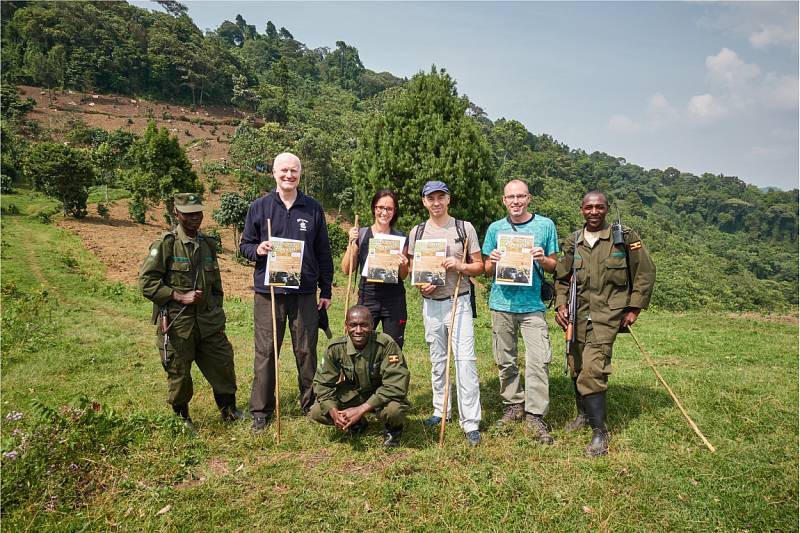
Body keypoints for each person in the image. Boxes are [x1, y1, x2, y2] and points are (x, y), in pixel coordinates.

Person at [554, 191, 656, 456]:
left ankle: (600, 432)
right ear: (581, 210)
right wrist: (561, 305)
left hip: (606, 316)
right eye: (589, 207)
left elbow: (644, 272)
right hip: (576, 315)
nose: (594, 212)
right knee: (575, 365)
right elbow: (562, 278)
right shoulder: (573, 241)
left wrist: (634, 308)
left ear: (607, 209)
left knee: (593, 369)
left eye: (600, 207)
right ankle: (583, 416)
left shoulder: (624, 238)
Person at [239, 152, 334, 432]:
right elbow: (244, 245)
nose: (288, 175)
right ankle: (261, 411)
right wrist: (258, 249)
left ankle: (310, 404)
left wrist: (325, 289)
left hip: (304, 293)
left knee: (306, 350)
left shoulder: (313, 208)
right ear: (274, 173)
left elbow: (323, 253)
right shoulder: (259, 207)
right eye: (283, 171)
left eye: (294, 171)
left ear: (300, 175)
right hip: (268, 293)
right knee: (266, 352)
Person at [139, 193, 241, 430]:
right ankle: (182, 419)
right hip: (179, 324)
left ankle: (229, 411)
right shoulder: (166, 244)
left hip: (209, 323)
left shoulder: (207, 245)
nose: (195, 218)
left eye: (198, 213)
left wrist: (216, 310)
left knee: (223, 365)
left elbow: (216, 286)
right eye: (189, 214)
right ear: (177, 214)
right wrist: (178, 296)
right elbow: (147, 283)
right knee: (179, 375)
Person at [408, 180, 484, 446]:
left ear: (448, 200)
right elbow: (412, 268)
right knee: (438, 359)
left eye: (441, 197)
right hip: (431, 304)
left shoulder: (464, 228)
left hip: (458, 301)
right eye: (431, 198)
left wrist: (459, 265)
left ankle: (471, 422)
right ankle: (441, 411)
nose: (436, 202)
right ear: (424, 202)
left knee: (464, 360)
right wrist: (421, 285)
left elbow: (480, 266)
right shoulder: (417, 232)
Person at [482, 179, 559, 444]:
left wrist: (542, 259)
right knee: (505, 359)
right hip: (501, 303)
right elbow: (485, 268)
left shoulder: (546, 225)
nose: (515, 201)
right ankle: (513, 404)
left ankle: (535, 413)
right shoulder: (495, 229)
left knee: (539, 360)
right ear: (504, 200)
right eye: (510, 197)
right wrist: (491, 262)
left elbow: (554, 265)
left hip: (533, 306)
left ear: (529, 198)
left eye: (520, 196)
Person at [309, 305, 411, 447]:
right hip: (355, 395)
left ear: (372, 325)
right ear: (346, 326)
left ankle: (393, 429)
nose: (358, 330)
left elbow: (396, 385)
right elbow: (322, 384)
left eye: (364, 325)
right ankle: (357, 424)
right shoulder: (336, 348)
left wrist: (361, 409)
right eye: (353, 325)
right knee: (317, 411)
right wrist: (333, 411)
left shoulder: (386, 344)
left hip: (382, 396)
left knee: (394, 411)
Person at [341, 189, 409, 347]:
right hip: (367, 298)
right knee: (360, 344)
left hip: (394, 300)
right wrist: (351, 243)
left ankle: (389, 372)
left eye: (389, 208)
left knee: (393, 347)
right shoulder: (362, 235)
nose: (384, 212)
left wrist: (404, 265)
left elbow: (403, 275)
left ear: (394, 211)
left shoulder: (400, 238)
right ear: (374, 208)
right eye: (380, 207)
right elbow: (346, 270)